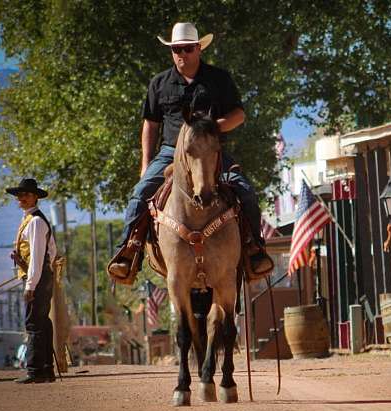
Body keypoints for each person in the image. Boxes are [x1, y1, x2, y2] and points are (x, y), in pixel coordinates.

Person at [108, 22, 272, 281]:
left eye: (186, 49)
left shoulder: (219, 79)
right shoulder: (159, 83)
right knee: (139, 194)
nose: (181, 55)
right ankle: (129, 252)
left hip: (210, 151)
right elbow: (150, 124)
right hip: (170, 153)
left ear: (198, 49)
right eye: (176, 49)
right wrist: (145, 165)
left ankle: (254, 249)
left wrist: (210, 130)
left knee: (245, 191)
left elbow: (238, 115)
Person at [7, 178, 57, 383]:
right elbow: (51, 253)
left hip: (36, 277)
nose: (21, 198)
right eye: (19, 195)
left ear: (35, 197)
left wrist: (31, 285)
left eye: (26, 194)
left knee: (34, 323)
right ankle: (46, 370)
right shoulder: (30, 220)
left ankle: (35, 371)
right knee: (42, 322)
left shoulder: (36, 221)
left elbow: (38, 256)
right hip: (39, 276)